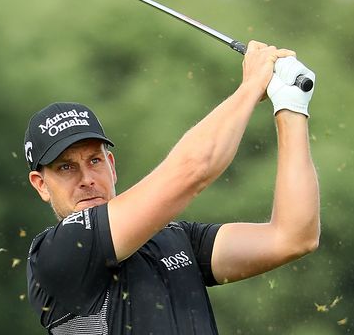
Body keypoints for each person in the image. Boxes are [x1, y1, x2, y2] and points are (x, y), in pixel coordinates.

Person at [22, 40, 320, 334]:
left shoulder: (176, 239)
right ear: (41, 185)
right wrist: (252, 85)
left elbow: (293, 237)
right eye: (66, 167)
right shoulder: (56, 253)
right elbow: (193, 170)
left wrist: (291, 107)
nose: (86, 178)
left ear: (111, 166)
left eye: (95, 161)